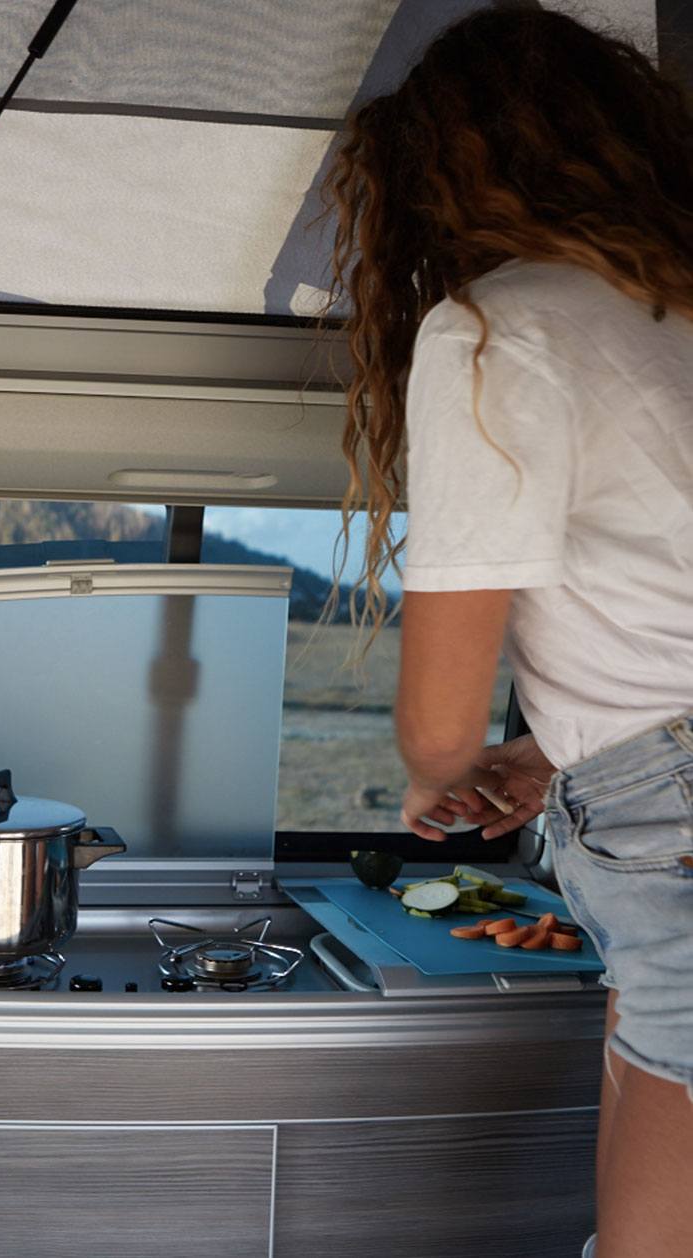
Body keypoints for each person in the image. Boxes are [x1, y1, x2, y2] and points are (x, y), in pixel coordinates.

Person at [319, 9, 693, 1258]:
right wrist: (559, 752)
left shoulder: (496, 329)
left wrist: (447, 771)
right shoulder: (672, 312)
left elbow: (436, 715)